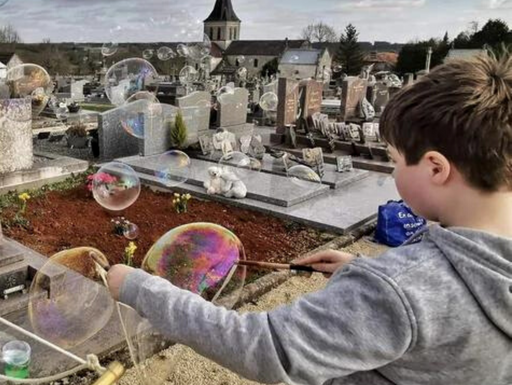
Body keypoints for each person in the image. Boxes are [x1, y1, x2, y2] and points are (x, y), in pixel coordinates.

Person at [107, 52, 512, 385]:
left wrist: (141, 290)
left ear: (436, 168)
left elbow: (267, 349)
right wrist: (368, 272)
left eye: (394, 161)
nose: (391, 174)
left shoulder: (401, 288)